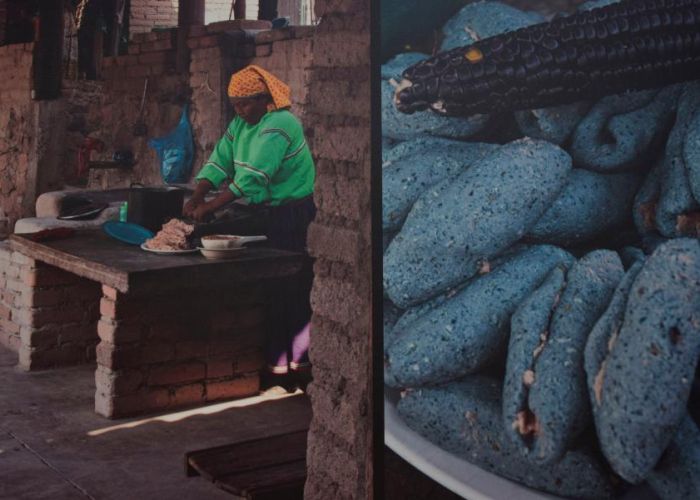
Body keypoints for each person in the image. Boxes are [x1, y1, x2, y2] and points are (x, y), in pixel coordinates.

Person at [184, 65, 316, 390]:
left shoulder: (280, 124)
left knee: (293, 288)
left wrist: (211, 206)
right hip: (266, 212)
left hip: (292, 215)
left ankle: (299, 367)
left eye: (245, 104)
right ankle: (277, 367)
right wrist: (197, 193)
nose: (239, 111)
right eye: (235, 105)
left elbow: (254, 176)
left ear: (264, 98)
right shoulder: (242, 125)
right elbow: (219, 160)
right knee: (273, 290)